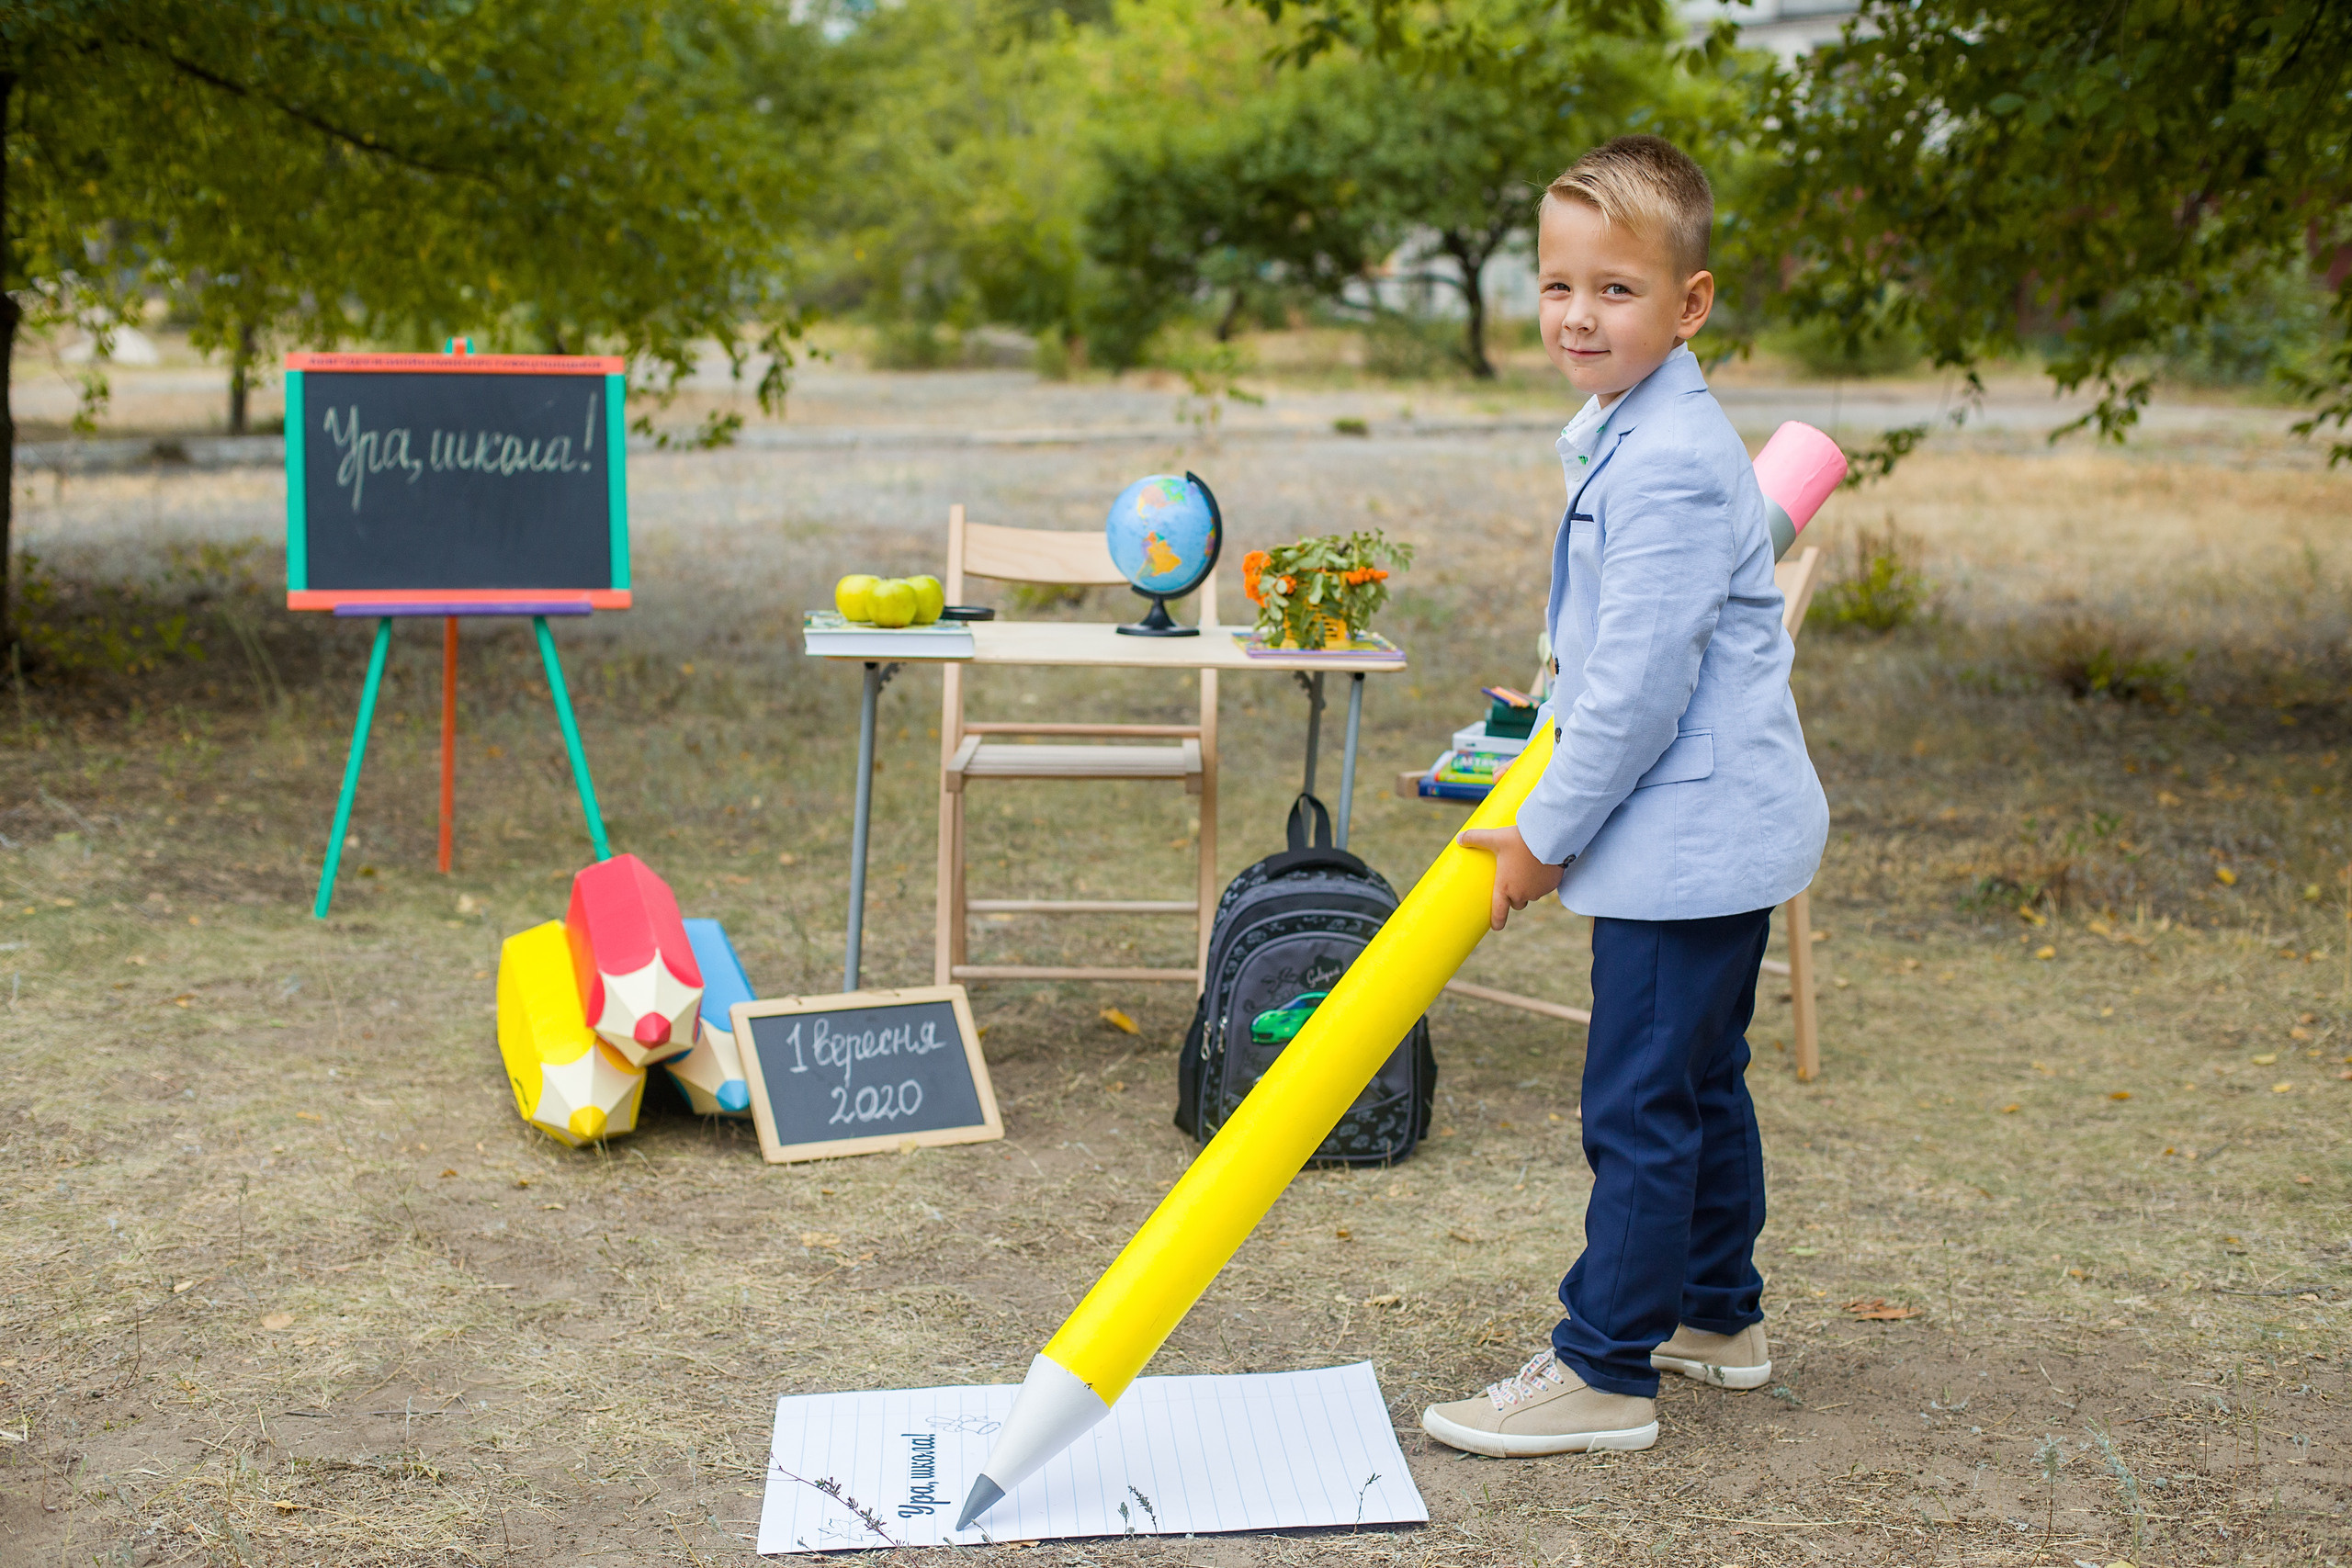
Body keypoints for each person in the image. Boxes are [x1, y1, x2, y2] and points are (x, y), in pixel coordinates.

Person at [1421, 135, 1829, 1457]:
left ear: (1690, 304)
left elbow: (1640, 695)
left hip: (1686, 838)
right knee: (1702, 1083)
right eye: (1557, 287)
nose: (1577, 316)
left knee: (1641, 1101)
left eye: (1615, 290)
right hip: (1718, 828)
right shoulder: (1634, 426)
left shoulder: (1663, 459)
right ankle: (1717, 1314)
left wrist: (1538, 838)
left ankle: (1603, 1368)